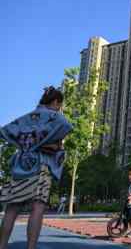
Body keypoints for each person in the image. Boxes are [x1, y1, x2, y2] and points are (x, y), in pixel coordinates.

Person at [0, 87, 73, 249]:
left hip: (21, 165)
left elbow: (6, 131)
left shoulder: (27, 118)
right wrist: (46, 142)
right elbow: (67, 126)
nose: (59, 108)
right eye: (59, 105)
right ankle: (31, 247)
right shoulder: (55, 117)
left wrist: (27, 143)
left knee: (12, 208)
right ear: (55, 102)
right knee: (38, 207)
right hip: (41, 165)